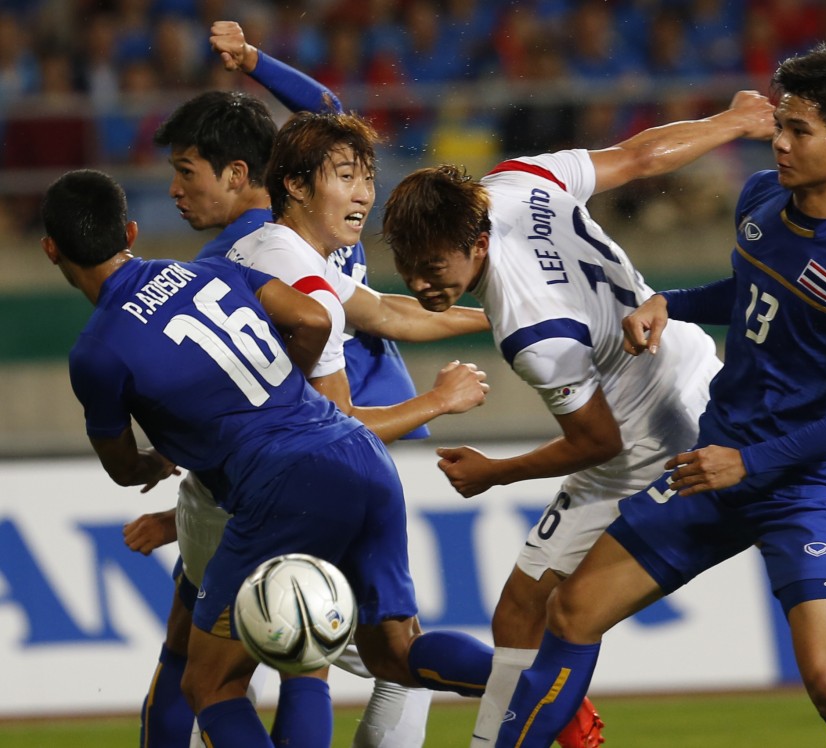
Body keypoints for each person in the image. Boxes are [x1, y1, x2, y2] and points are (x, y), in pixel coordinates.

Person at [480, 42, 826, 748]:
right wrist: (667, 302)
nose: (780, 141)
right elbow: (752, 290)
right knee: (572, 612)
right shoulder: (762, 196)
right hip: (712, 463)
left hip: (800, 483)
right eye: (781, 124)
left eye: (799, 130)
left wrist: (751, 463)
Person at [42, 167, 492, 748]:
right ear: (130, 232)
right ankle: (534, 685)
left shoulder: (97, 352)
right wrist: (287, 391)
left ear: (52, 249)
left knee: (210, 683)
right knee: (397, 655)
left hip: (279, 485)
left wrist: (159, 460)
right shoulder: (210, 269)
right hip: (357, 452)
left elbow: (123, 468)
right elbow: (311, 316)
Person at [382, 89, 773, 747]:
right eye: (409, 266)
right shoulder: (517, 180)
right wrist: (733, 121)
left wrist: (496, 473)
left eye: (434, 267)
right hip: (684, 362)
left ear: (475, 242)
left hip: (647, 431)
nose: (421, 283)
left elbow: (596, 441)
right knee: (520, 610)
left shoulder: (530, 329)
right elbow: (640, 155)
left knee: (569, 610)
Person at [130, 21, 467, 748]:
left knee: (198, 660)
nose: (176, 190)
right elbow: (341, 375)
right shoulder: (302, 248)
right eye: (346, 175)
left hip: (267, 478)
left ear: (242, 173)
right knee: (341, 661)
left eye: (187, 171)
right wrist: (441, 394)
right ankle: (520, 680)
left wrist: (254, 61)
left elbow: (328, 115)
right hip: (308, 470)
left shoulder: (256, 252)